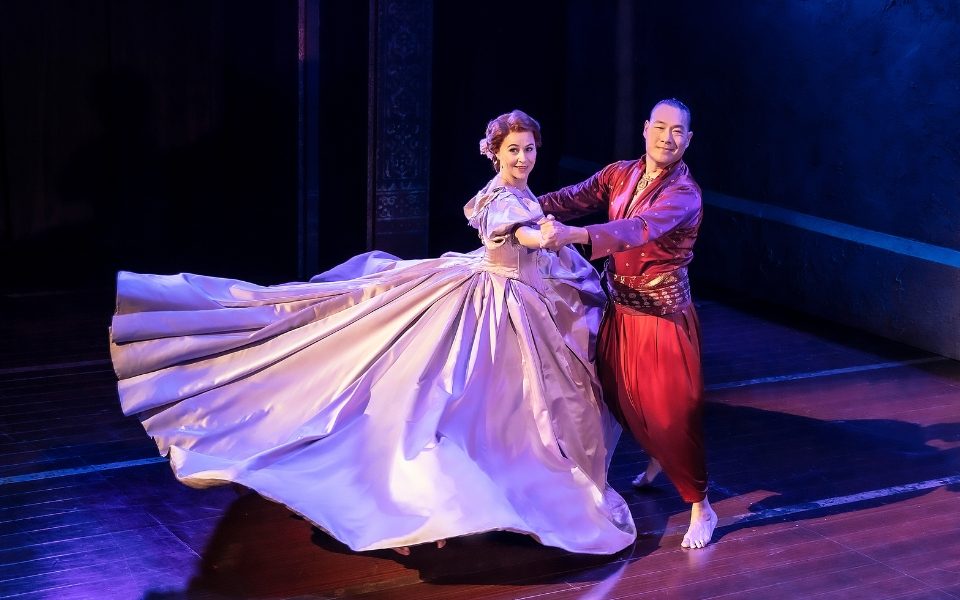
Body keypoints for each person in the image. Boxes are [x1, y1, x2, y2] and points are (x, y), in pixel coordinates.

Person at [109, 109, 636, 556]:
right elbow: (517, 231)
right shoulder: (504, 199)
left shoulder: (517, 191)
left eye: (528, 150)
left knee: (505, 406)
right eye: (513, 150)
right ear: (495, 153)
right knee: (471, 397)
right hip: (500, 299)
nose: (522, 158)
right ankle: (433, 495)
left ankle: (492, 491)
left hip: (518, 295)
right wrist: (545, 236)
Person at [538, 98, 718, 549]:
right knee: (617, 395)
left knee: (674, 413)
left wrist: (574, 236)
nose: (667, 137)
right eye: (660, 127)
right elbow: (575, 197)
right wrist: (522, 206)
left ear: (688, 140)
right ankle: (657, 458)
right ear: (645, 129)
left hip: (662, 317)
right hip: (621, 306)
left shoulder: (684, 194)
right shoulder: (622, 173)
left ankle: (702, 506)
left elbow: (637, 229)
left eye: (678, 131)